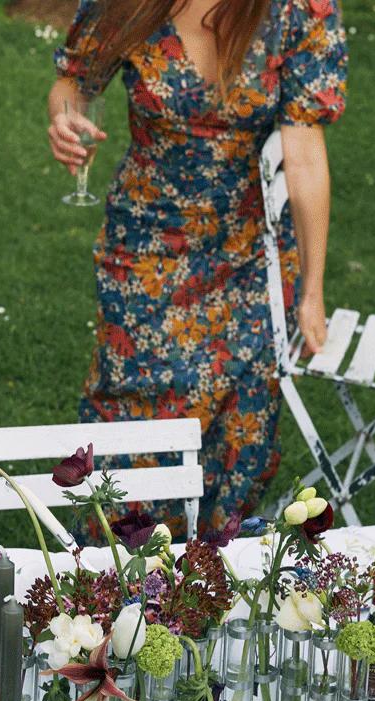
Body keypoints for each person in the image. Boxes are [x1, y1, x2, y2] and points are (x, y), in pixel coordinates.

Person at [48, 0, 347, 534]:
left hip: (248, 257)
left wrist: (312, 291)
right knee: (137, 420)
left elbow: (305, 158)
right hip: (144, 250)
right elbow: (73, 84)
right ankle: (116, 575)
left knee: (238, 435)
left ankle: (212, 580)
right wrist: (63, 119)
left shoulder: (299, 10)